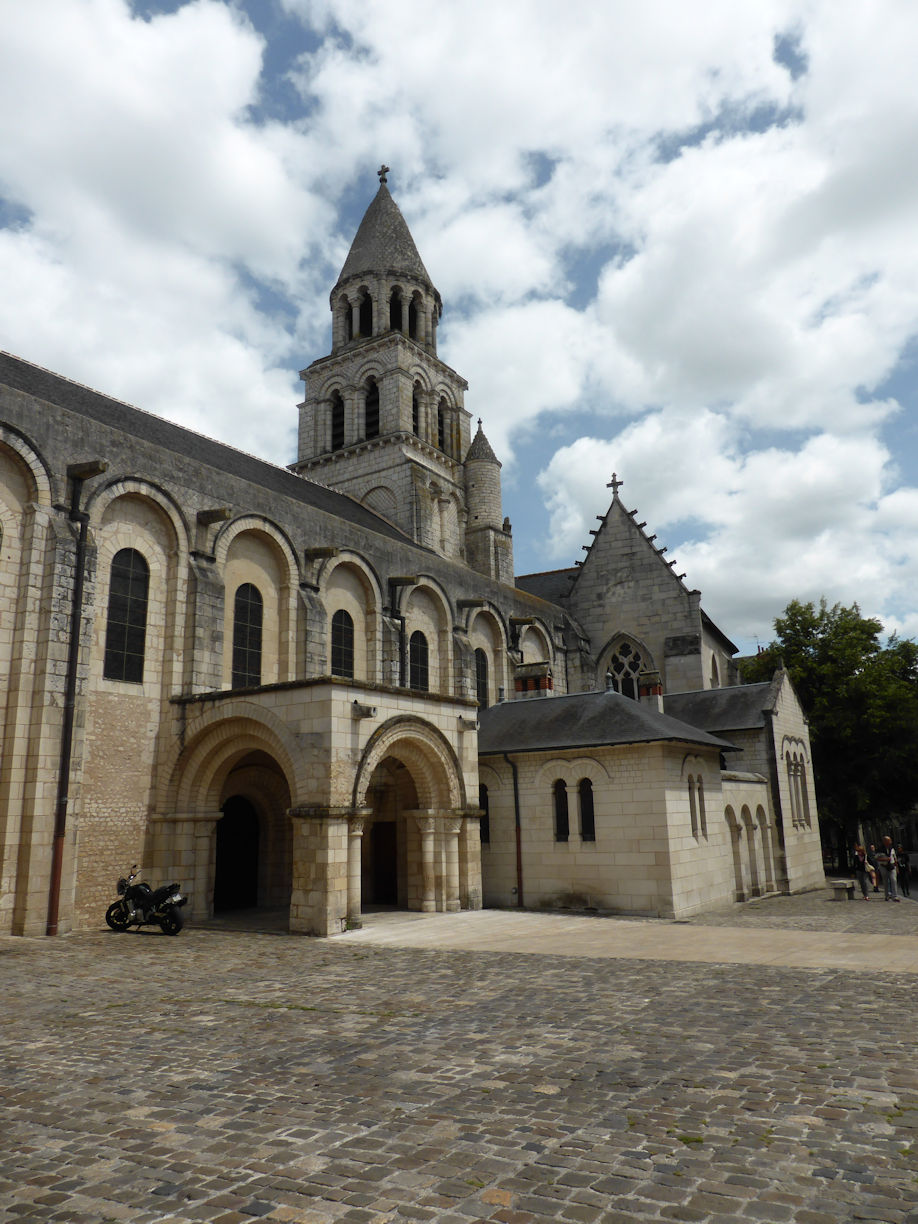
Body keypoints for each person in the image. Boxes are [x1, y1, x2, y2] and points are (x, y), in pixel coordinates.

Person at [876, 836, 900, 902]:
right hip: (883, 866)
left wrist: (897, 867)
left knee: (893, 880)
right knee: (885, 881)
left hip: (892, 866)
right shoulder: (879, 849)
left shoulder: (892, 848)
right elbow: (877, 858)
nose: (890, 842)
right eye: (889, 840)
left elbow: (895, 858)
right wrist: (885, 859)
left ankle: (895, 896)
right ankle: (887, 895)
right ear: (884, 841)